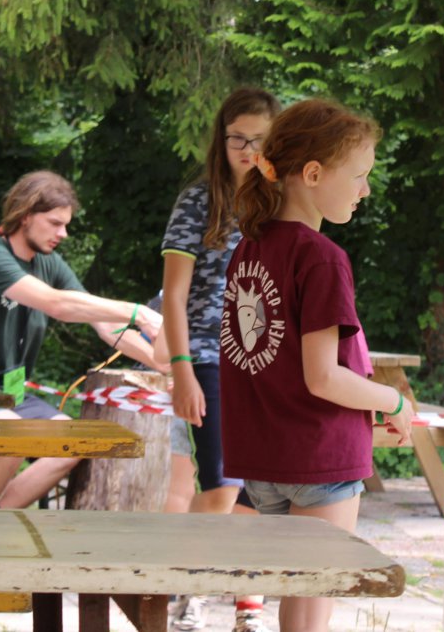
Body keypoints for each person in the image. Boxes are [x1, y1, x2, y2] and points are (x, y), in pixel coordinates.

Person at [218, 98, 414, 632]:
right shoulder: (322, 256)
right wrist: (394, 401)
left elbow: (263, 363)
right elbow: (322, 377)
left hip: (264, 460)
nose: (364, 190)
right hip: (318, 459)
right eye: (359, 176)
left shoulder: (248, 250)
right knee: (314, 603)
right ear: (312, 173)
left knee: (295, 598)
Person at [0, 170, 162, 510]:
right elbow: (58, 304)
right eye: (54, 223)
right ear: (25, 216)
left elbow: (106, 326)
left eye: (65, 224)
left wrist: (169, 366)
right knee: (14, 430)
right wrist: (140, 313)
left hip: (10, 395)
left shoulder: (48, 263)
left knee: (73, 442)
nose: (63, 233)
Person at [159, 87, 279, 632]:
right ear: (221, 138)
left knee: (260, 489)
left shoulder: (281, 201)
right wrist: (182, 368)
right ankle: (185, 594)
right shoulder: (197, 201)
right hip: (208, 356)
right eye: (238, 138)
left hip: (266, 361)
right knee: (221, 486)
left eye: (259, 140)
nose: (247, 150)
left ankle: (247, 606)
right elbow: (174, 296)